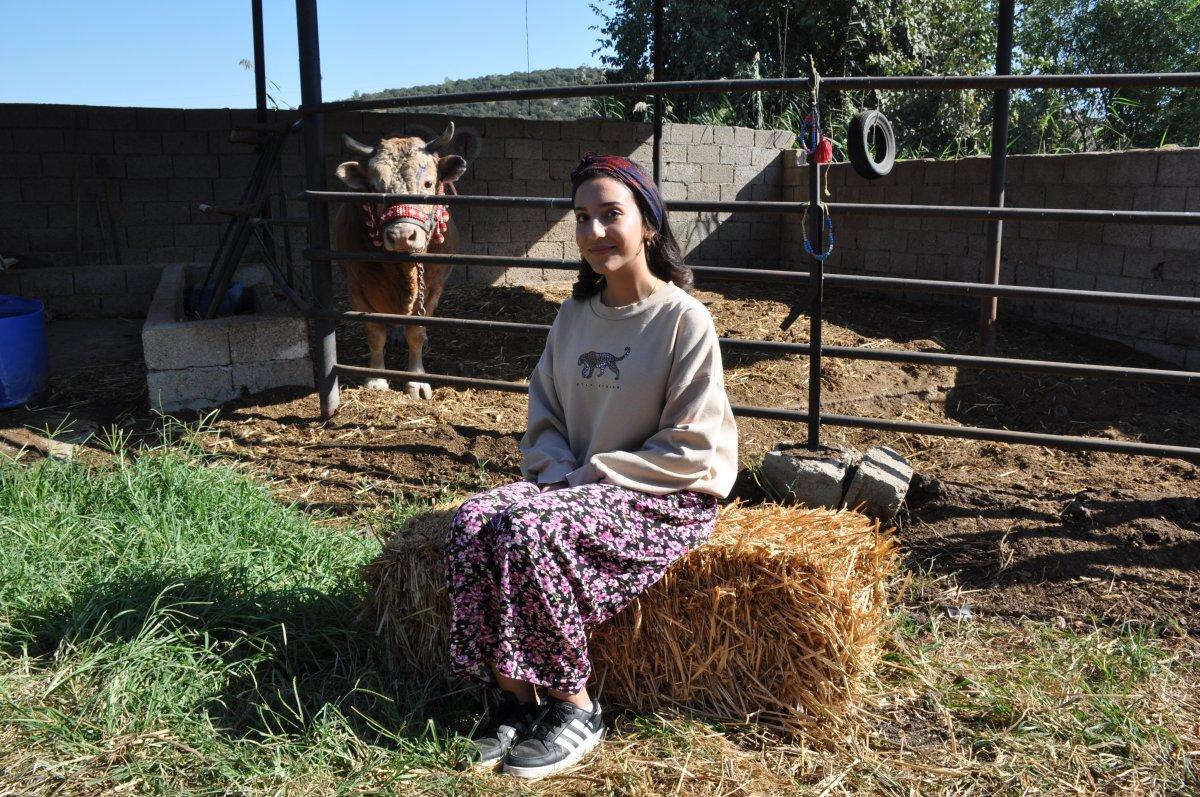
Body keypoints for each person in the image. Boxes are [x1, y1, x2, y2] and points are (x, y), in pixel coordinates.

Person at [445, 153, 738, 779]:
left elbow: (691, 443)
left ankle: (576, 707)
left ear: (649, 224)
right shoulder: (574, 315)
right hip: (574, 486)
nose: (595, 231)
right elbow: (545, 412)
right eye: (582, 217)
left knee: (529, 532)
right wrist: (555, 472)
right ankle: (516, 699)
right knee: (471, 522)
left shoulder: (684, 319)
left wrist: (586, 479)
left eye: (611, 215)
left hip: (664, 494)